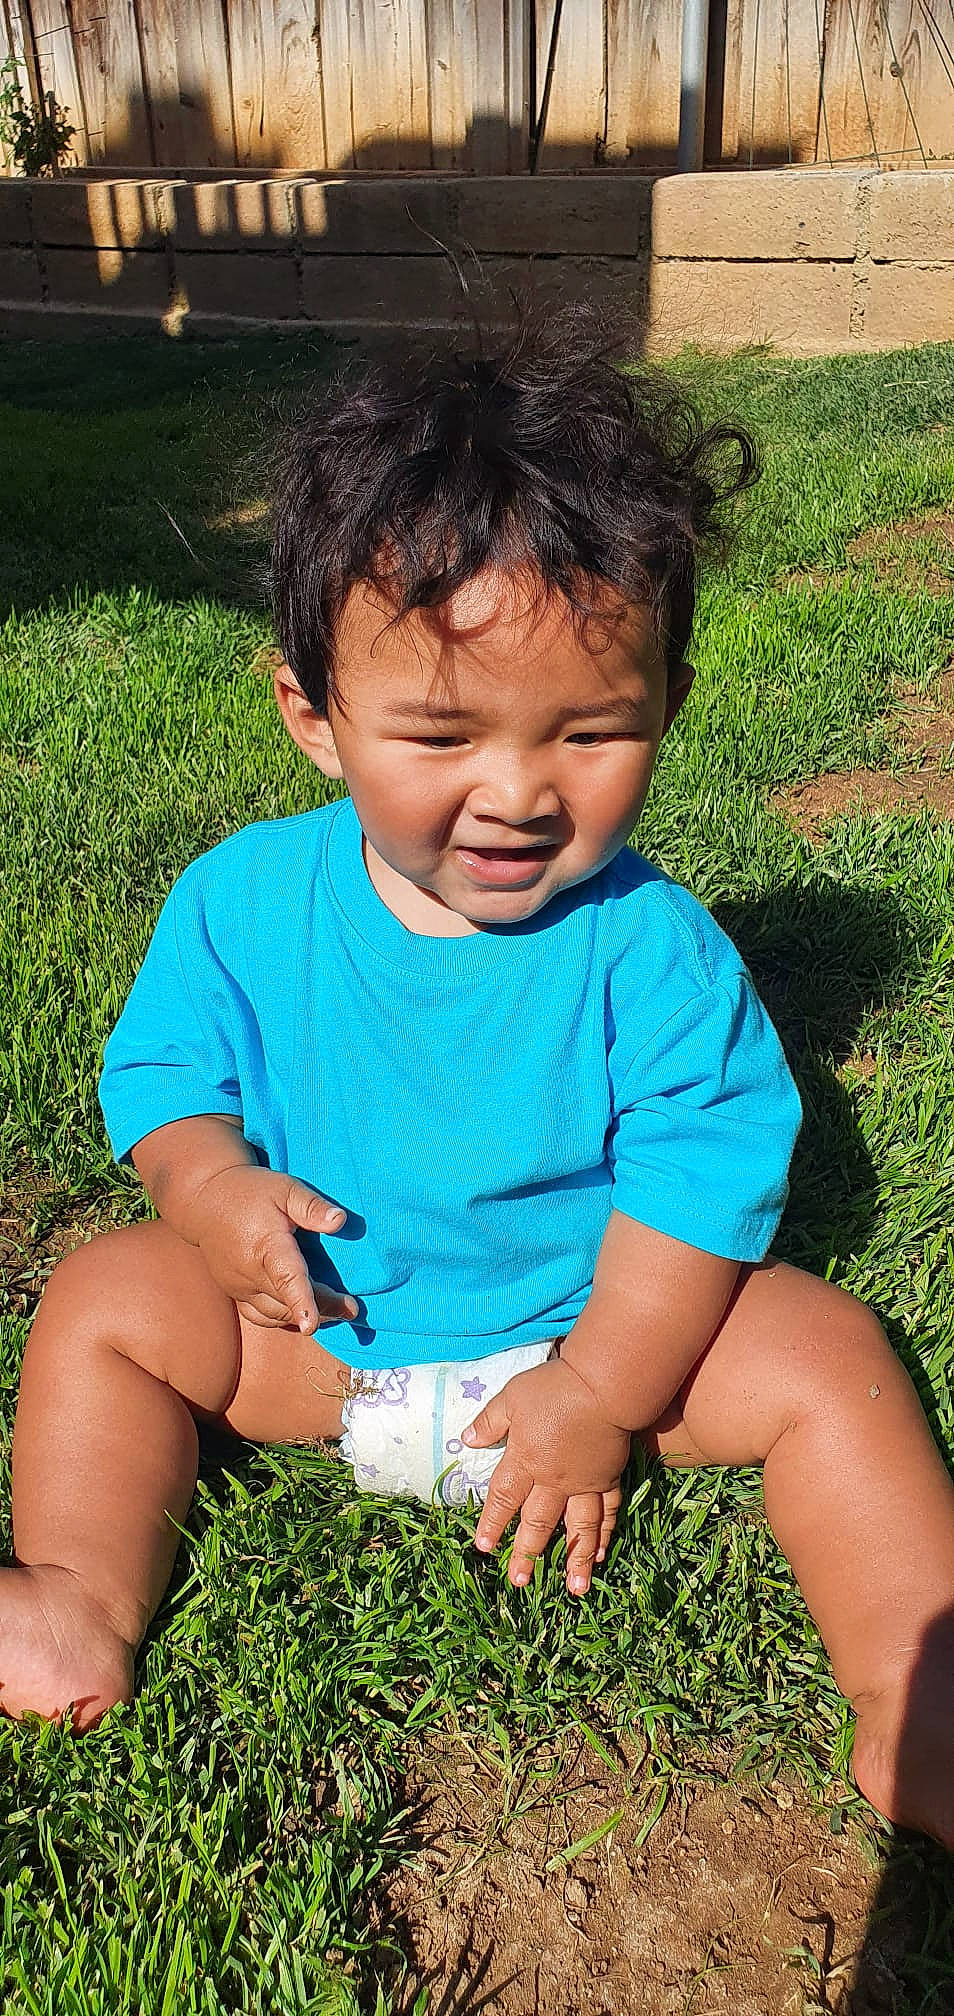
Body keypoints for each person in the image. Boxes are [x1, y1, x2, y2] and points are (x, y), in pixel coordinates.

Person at [4, 316, 954, 1852]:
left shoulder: (650, 947)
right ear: (314, 716)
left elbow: (701, 1178)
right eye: (440, 733)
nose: (516, 792)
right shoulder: (242, 901)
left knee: (823, 1355)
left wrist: (598, 1388)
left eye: (589, 731)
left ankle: (918, 1682)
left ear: (668, 703)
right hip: (312, 1347)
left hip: (587, 1341)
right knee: (106, 1299)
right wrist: (207, 1186)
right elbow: (166, 1071)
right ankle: (73, 1599)